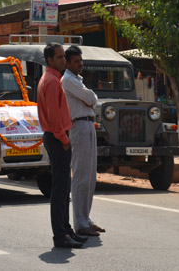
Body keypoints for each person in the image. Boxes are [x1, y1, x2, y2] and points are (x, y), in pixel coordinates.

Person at [37, 43, 88, 249]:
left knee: (63, 188)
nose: (63, 61)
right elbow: (54, 116)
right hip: (57, 138)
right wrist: (64, 140)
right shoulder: (50, 81)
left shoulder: (53, 78)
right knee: (59, 191)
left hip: (57, 137)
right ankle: (60, 236)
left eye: (63, 57)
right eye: (59, 58)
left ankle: (66, 230)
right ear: (50, 60)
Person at [62, 45, 105, 237]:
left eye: (81, 60)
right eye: (77, 61)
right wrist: (90, 97)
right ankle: (79, 222)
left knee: (90, 176)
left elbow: (92, 99)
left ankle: (86, 218)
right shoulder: (68, 81)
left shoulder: (77, 80)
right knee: (80, 176)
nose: (81, 64)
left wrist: (90, 98)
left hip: (88, 125)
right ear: (67, 62)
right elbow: (90, 97)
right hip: (78, 126)